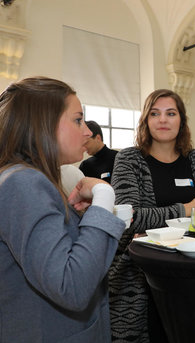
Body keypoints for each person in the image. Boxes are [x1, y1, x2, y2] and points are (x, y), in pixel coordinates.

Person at [0, 77, 125, 342]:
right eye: (78, 120)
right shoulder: (25, 182)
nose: (88, 132)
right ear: (42, 124)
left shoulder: (31, 179)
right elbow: (72, 285)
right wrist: (104, 196)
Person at [109, 89, 195, 342]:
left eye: (171, 113)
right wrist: (187, 209)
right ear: (146, 120)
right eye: (155, 114)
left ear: (182, 120)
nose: (163, 120)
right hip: (140, 273)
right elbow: (129, 219)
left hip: (191, 266)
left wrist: (155, 222)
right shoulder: (129, 159)